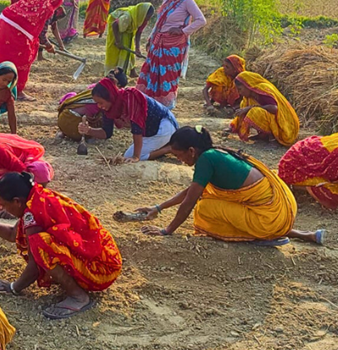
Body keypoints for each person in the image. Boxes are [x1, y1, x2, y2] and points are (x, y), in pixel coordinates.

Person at [0, 172, 123, 320]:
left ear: (16, 201)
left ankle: (78, 297)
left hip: (101, 270)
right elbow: (13, 234)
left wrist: (13, 287)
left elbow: (35, 265)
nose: (3, 209)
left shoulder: (33, 212)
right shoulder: (36, 198)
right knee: (40, 243)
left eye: (4, 204)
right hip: (106, 260)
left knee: (41, 244)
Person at [137, 126, 326, 245]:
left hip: (267, 216)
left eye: (179, 156)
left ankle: (262, 236)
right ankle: (301, 234)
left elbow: (190, 201)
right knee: (211, 197)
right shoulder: (215, 153)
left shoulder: (206, 159)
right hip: (276, 211)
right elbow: (191, 191)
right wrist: (158, 208)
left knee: (205, 209)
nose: (179, 160)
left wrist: (167, 231)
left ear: (191, 151)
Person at [137, 0, 206, 109]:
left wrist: (183, 31)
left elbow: (201, 20)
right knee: (151, 72)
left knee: (167, 75)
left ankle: (165, 105)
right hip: (158, 41)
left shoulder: (186, 1)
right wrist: (151, 37)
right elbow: (159, 21)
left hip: (173, 45)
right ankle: (149, 101)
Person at [78, 77, 178, 161]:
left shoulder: (130, 98)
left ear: (110, 97)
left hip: (164, 126)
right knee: (131, 154)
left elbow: (137, 128)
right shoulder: (109, 109)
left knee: (129, 156)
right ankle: (163, 145)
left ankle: (168, 148)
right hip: (150, 130)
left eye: (101, 102)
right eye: (97, 103)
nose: (99, 106)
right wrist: (89, 131)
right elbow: (106, 133)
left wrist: (136, 157)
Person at [0, 0, 64, 101]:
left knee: (3, 54)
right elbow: (42, 34)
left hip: (4, 21)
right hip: (18, 30)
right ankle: (18, 91)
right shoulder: (47, 8)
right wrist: (49, 45)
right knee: (23, 58)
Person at [229, 71, 299, 146]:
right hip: (274, 119)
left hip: (286, 126)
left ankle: (273, 137)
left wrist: (249, 108)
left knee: (255, 111)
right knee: (244, 105)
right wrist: (233, 126)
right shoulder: (249, 97)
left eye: (240, 89)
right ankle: (264, 135)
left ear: (247, 85)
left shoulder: (263, 88)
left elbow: (274, 109)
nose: (239, 93)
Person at [57, 68, 128, 141]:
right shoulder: (105, 98)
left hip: (62, 119)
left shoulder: (95, 88)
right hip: (74, 125)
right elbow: (107, 131)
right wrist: (89, 130)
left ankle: (64, 132)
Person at [279, 133, 338, 209]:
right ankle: (301, 186)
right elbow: (331, 174)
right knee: (333, 197)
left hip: (307, 151)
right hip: (294, 165)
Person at [104, 3, 154, 78]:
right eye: (147, 17)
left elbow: (138, 33)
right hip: (116, 26)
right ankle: (112, 72)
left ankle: (131, 71)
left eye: (149, 18)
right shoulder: (127, 17)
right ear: (143, 14)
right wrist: (117, 41)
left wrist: (138, 48)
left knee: (130, 46)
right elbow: (114, 25)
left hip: (127, 28)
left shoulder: (142, 19)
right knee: (115, 50)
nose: (147, 19)